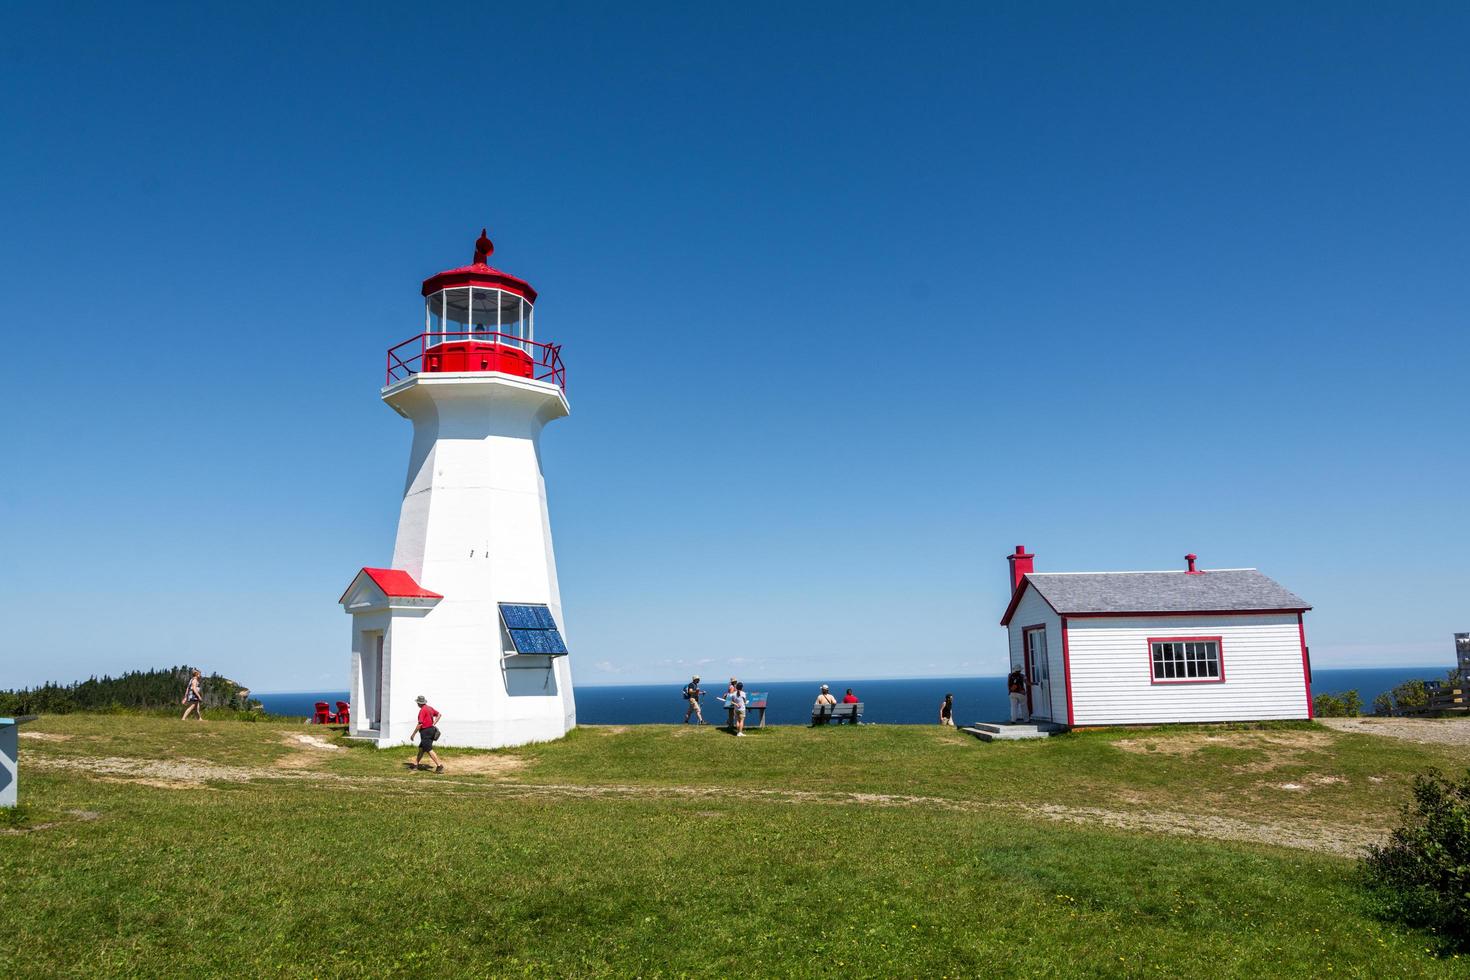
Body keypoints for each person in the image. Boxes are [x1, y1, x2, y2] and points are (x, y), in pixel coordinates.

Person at [409, 695, 444, 773]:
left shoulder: (422, 710)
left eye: (417, 702)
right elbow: (439, 715)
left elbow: (420, 724)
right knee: (421, 749)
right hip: (431, 730)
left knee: (428, 749)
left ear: (419, 703)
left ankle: (439, 766)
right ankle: (415, 765)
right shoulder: (429, 708)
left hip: (426, 732)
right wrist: (434, 723)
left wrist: (413, 734)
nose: (417, 704)